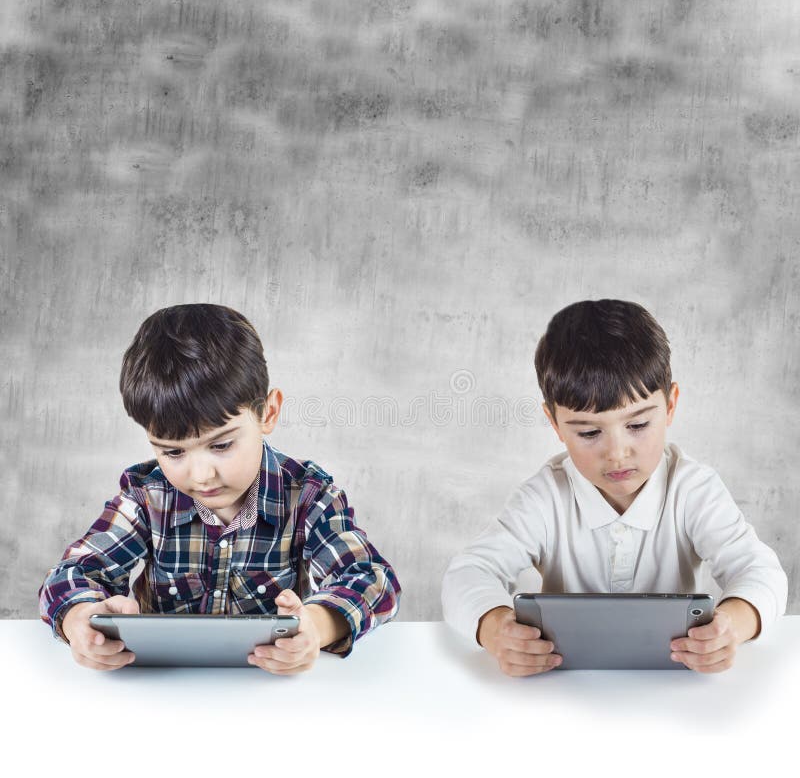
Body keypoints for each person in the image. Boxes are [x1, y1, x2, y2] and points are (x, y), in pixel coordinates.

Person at [39, 304, 401, 673]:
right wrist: (81, 618)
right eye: (173, 452)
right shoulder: (146, 497)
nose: (201, 475)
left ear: (268, 414)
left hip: (270, 694)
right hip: (162, 690)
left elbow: (372, 579)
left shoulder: (308, 495)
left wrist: (316, 626)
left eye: (221, 445)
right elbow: (73, 573)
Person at [441, 299, 787, 676]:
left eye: (637, 425)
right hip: (565, 689)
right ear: (554, 423)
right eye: (589, 432)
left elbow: (761, 571)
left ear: (670, 405)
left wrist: (731, 627)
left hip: (673, 691)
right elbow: (467, 573)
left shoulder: (693, 489)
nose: (617, 453)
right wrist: (495, 630)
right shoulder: (545, 496)